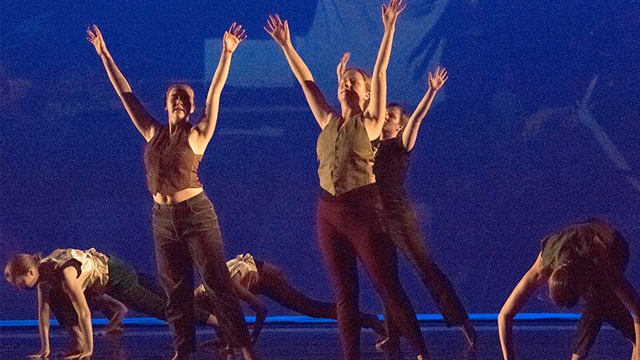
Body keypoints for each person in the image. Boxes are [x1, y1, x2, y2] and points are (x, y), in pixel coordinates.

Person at [265, 1, 429, 359]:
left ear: (367, 93)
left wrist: (388, 29)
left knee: (388, 287)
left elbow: (381, 72)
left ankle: (421, 352)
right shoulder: (328, 120)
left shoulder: (370, 123)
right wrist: (286, 46)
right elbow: (307, 81)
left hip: (363, 211)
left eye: (353, 81)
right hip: (328, 212)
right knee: (345, 293)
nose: (345, 84)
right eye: (342, 81)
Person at [87, 24, 256, 360]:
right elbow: (126, 95)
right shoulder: (153, 131)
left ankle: (246, 349)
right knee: (175, 291)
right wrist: (105, 54)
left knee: (217, 283)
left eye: (184, 98)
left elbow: (215, 93)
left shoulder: (198, 133)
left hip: (196, 215)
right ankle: (182, 351)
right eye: (173, 97)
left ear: (191, 107)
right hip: (162, 220)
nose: (178, 100)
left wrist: (226, 54)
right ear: (166, 105)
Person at [362, 67, 476, 353]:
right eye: (386, 113)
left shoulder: (401, 144)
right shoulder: (369, 141)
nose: (386, 116)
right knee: (387, 279)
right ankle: (393, 334)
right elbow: (363, 108)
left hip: (399, 215)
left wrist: (431, 92)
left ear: (399, 125)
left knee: (425, 268)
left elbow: (417, 120)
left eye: (392, 116)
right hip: (376, 217)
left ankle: (463, 323)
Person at [4, 248, 218, 359]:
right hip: (106, 274)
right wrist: (45, 349)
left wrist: (89, 350)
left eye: (19, 282)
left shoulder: (64, 273)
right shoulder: (44, 278)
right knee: (168, 300)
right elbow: (43, 314)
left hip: (116, 275)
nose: (19, 287)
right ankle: (78, 342)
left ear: (30, 271)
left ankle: (217, 322)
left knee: (162, 308)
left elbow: (84, 313)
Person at [498, 220, 640, 360]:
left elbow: (637, 310)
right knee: (602, 306)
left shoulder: (602, 263)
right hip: (580, 244)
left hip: (614, 247)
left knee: (598, 302)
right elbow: (504, 316)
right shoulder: (541, 266)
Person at [194, 254, 386, 345]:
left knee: (311, 309)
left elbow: (262, 310)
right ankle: (368, 320)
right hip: (253, 272)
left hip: (265, 277)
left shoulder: (231, 287)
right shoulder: (202, 292)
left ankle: (368, 320)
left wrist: (252, 337)